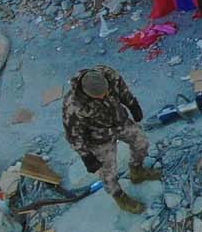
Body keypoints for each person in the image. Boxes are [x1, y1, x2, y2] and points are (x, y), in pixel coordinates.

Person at [64, 66, 159, 214]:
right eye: (98, 96)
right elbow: (74, 135)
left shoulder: (109, 74)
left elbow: (123, 91)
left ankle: (137, 171)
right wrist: (86, 156)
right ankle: (119, 196)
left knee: (142, 142)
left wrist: (132, 104)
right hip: (98, 137)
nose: (104, 97)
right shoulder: (73, 105)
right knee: (108, 173)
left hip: (120, 122)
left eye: (106, 93)